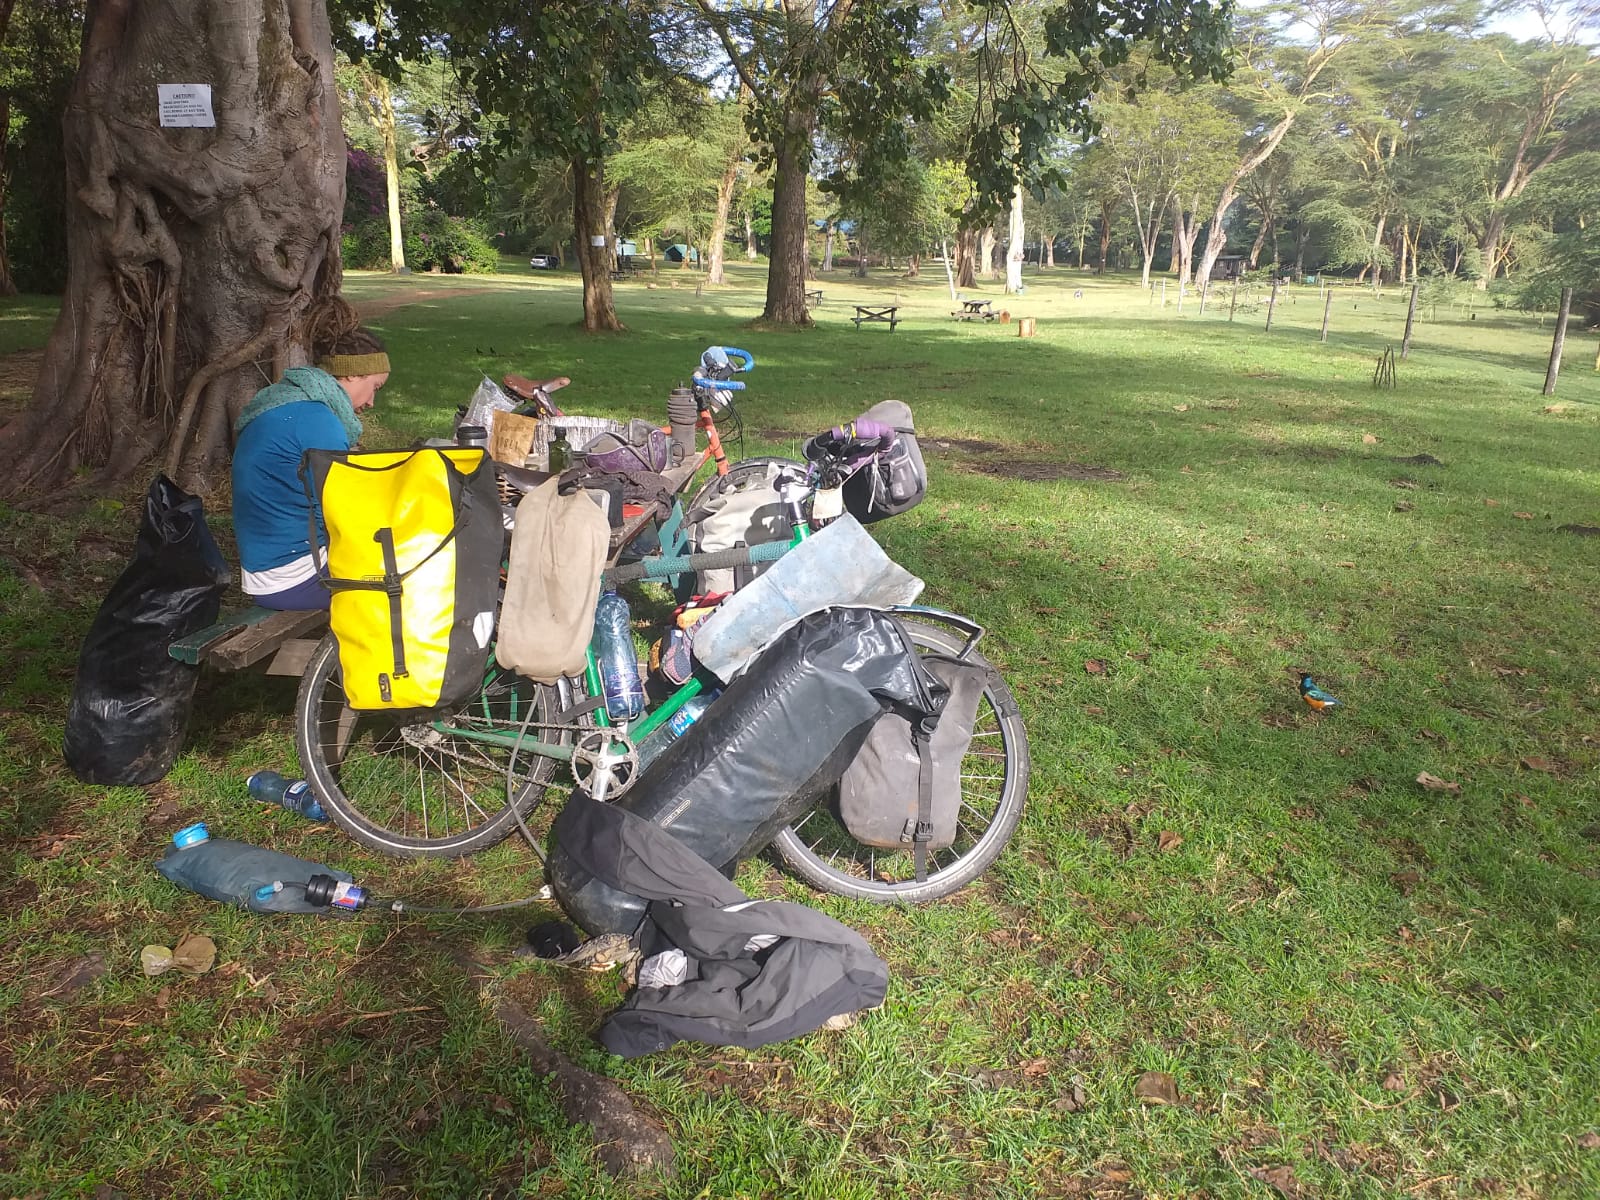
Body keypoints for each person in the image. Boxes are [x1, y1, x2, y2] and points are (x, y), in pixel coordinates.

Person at [231, 298, 390, 610]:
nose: (372, 402)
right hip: (294, 577)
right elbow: (342, 512)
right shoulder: (319, 421)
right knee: (422, 560)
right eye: (375, 387)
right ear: (353, 375)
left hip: (266, 568)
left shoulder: (287, 402)